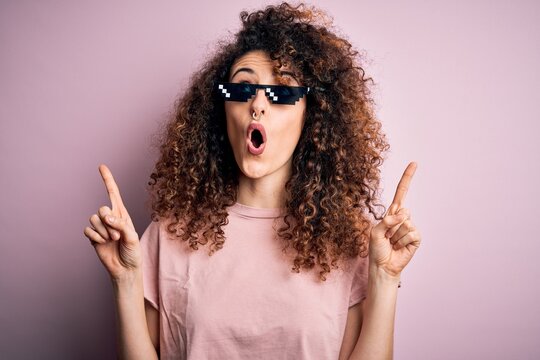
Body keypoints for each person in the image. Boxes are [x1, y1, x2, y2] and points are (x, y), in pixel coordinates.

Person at [83, 3, 422, 359]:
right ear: (221, 110)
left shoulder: (348, 241)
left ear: (313, 116)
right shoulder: (170, 235)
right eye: (243, 89)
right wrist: (124, 281)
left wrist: (383, 277)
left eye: (283, 92)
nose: (258, 104)